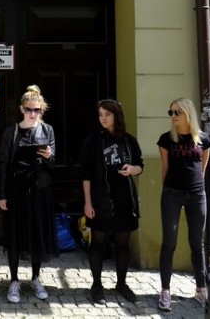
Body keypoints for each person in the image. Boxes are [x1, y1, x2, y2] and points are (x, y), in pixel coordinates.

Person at [0, 85, 58, 303]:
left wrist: (49, 156)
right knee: (15, 236)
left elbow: (52, 165)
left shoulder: (47, 130)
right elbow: (3, 165)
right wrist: (1, 194)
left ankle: (35, 277)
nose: (32, 114)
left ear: (42, 110)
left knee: (37, 236)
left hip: (39, 191)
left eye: (37, 110)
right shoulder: (11, 132)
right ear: (21, 109)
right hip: (16, 191)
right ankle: (14, 281)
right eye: (28, 109)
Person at [79, 99, 144, 305]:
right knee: (97, 242)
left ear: (116, 115)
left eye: (107, 114)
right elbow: (86, 174)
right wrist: (87, 203)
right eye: (100, 115)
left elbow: (140, 165)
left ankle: (122, 283)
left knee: (122, 243)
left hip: (125, 199)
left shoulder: (129, 140)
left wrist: (133, 170)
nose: (103, 119)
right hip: (101, 199)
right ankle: (96, 285)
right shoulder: (93, 141)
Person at [157, 98, 210, 311]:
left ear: (188, 113)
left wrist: (197, 188)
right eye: (171, 112)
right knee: (169, 242)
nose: (173, 116)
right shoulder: (166, 139)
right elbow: (165, 168)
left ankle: (201, 289)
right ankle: (165, 290)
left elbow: (202, 168)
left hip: (197, 195)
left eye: (177, 112)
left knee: (197, 243)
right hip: (172, 194)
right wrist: (167, 191)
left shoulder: (203, 140)